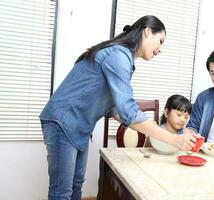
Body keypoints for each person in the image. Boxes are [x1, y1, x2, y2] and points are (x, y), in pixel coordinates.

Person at [39, 15, 197, 200]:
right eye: (160, 41)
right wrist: (173, 139)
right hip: (63, 121)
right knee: (61, 192)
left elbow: (114, 108)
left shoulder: (124, 58)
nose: (160, 49)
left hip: (77, 126)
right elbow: (128, 112)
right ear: (147, 32)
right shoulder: (118, 55)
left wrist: (148, 126)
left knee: (75, 185)